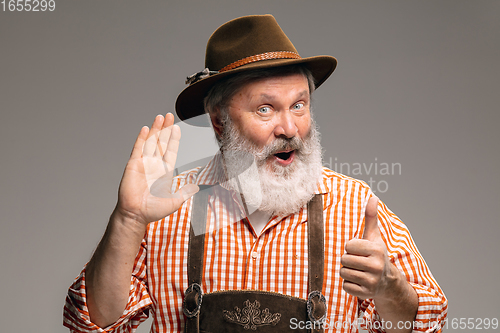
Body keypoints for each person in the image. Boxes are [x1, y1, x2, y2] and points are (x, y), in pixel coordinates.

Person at [63, 15, 447, 333]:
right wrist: (128, 220)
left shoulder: (355, 207)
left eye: (299, 105)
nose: (290, 128)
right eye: (265, 109)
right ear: (218, 122)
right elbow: (92, 324)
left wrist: (387, 286)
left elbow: (427, 322)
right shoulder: (165, 206)